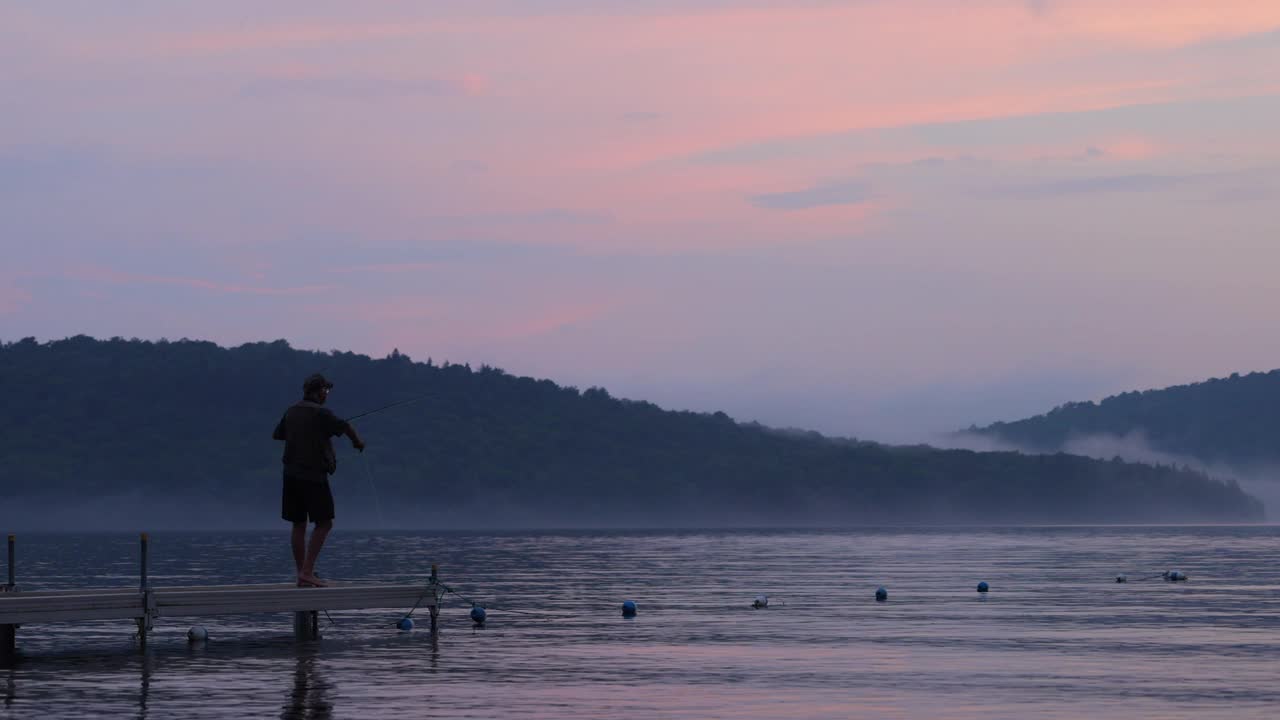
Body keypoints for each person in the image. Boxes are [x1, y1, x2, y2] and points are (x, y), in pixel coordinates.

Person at [273, 373, 365, 587]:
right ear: (318, 391)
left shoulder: (292, 410)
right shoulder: (321, 413)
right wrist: (358, 443)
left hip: (290, 475)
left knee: (299, 523)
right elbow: (346, 427)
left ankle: (302, 575)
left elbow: (278, 434)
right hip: (313, 476)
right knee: (324, 523)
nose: (327, 394)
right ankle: (306, 572)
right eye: (326, 390)